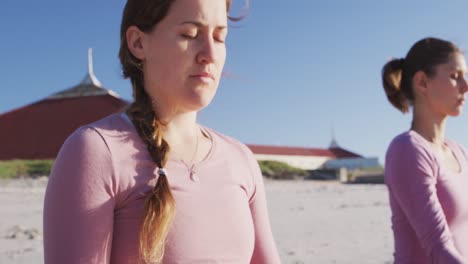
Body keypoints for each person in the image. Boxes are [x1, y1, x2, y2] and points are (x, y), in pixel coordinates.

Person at [43, 0, 280, 263]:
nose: (210, 54)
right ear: (138, 43)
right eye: (189, 34)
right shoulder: (95, 152)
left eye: (219, 37)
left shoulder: (241, 159)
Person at [382, 37, 468, 263]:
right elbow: (439, 247)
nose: (465, 86)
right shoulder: (407, 149)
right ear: (422, 82)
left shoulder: (460, 151)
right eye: (455, 76)